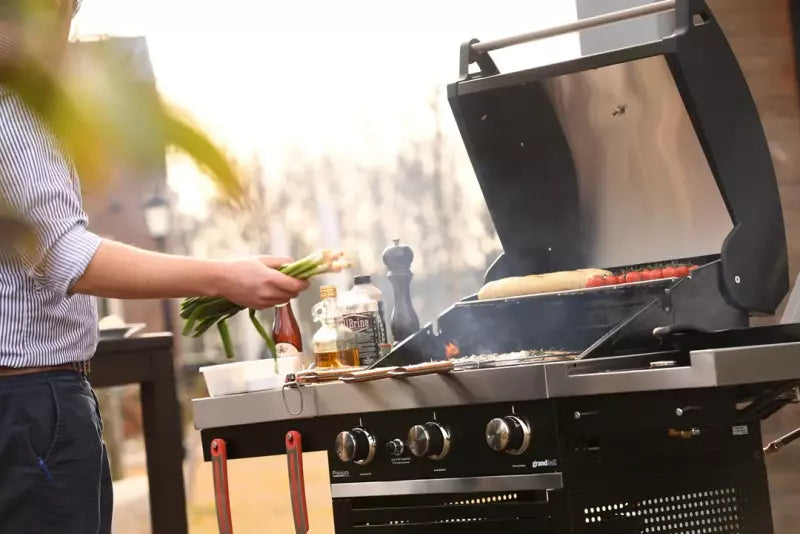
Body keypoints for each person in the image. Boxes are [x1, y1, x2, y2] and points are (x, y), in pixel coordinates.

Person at [0, 1, 309, 532]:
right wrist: (225, 277)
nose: (65, 40)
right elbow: (66, 255)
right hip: (33, 405)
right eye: (66, 17)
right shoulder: (15, 109)